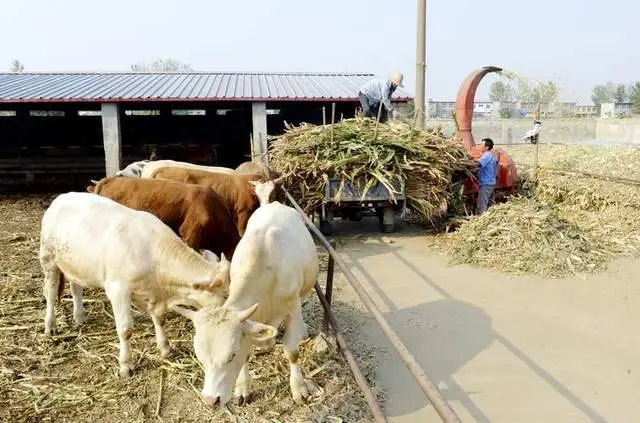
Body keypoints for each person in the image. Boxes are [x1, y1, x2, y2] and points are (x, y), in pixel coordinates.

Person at [476, 138, 498, 215]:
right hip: (491, 182)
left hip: (486, 183)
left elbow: (478, 164)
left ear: (487, 147)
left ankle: (483, 219)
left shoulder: (487, 155)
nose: (480, 146)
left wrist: (467, 163)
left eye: (482, 145)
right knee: (491, 204)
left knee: (482, 204)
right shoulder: (491, 155)